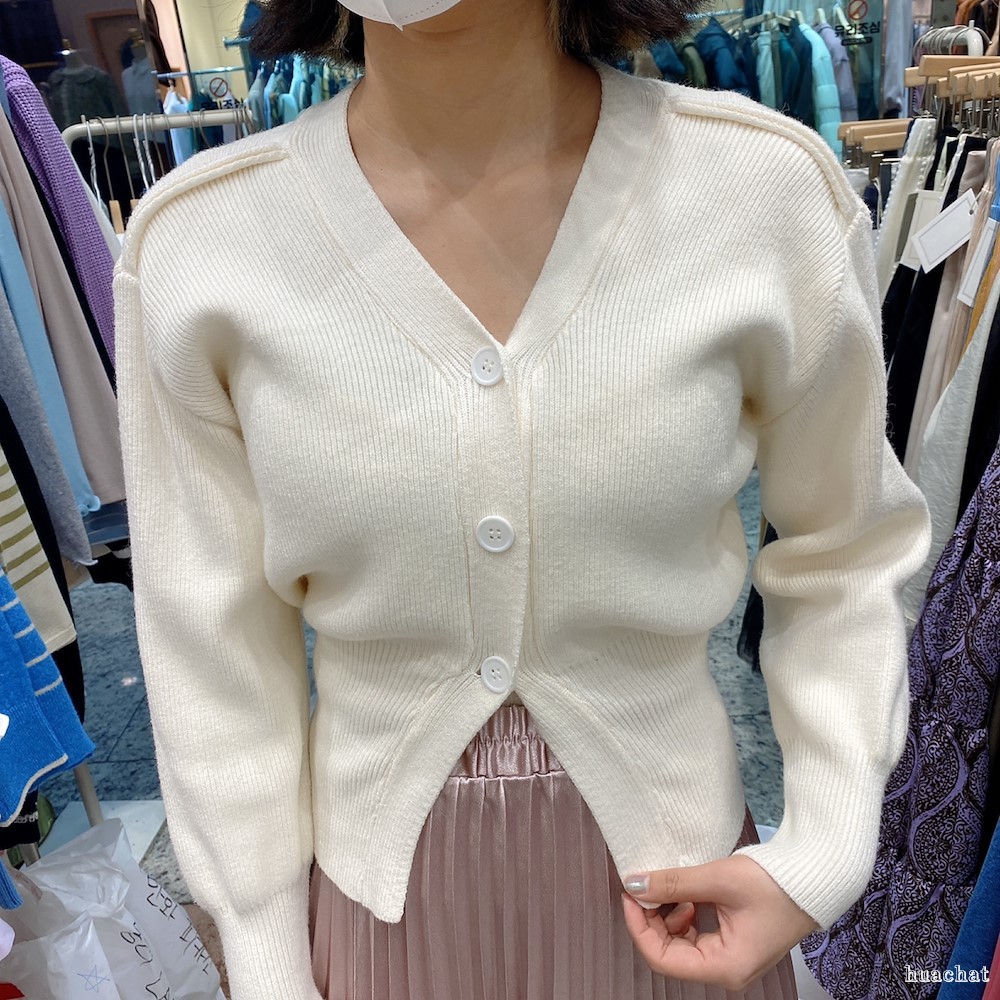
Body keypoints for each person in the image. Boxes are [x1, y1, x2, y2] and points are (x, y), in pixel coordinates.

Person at [113, 1, 932, 998]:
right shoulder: (201, 242)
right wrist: (267, 965)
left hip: (685, 904)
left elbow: (846, 549)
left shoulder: (760, 190)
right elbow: (212, 651)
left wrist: (826, 849)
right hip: (378, 919)